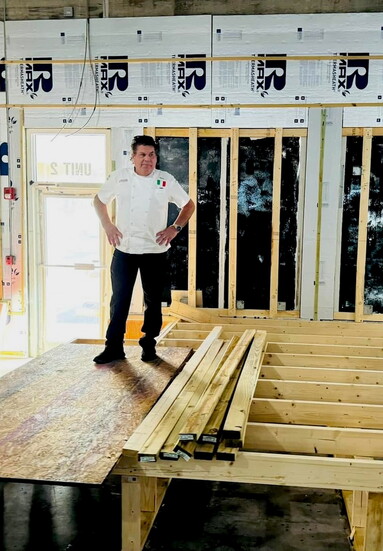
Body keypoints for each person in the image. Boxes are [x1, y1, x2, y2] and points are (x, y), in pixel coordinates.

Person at [93, 135, 195, 364]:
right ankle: (113, 347)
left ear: (156, 158)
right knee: (119, 300)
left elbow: (188, 205)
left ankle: (149, 345)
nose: (147, 160)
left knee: (153, 301)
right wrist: (108, 225)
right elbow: (99, 201)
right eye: (142, 155)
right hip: (125, 251)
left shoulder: (165, 180)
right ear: (133, 157)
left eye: (151, 155)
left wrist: (174, 228)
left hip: (155, 251)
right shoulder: (120, 178)